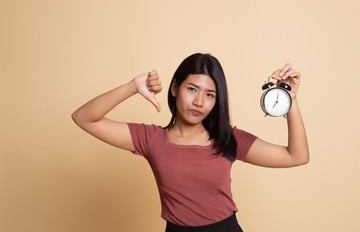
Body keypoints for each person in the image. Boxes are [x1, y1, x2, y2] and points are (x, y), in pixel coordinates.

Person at [72, 53, 309, 232]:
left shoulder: (228, 139)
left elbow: (297, 156)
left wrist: (290, 99)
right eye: (192, 89)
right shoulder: (151, 139)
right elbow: (83, 118)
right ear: (175, 88)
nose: (199, 102)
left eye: (209, 94)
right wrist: (132, 87)